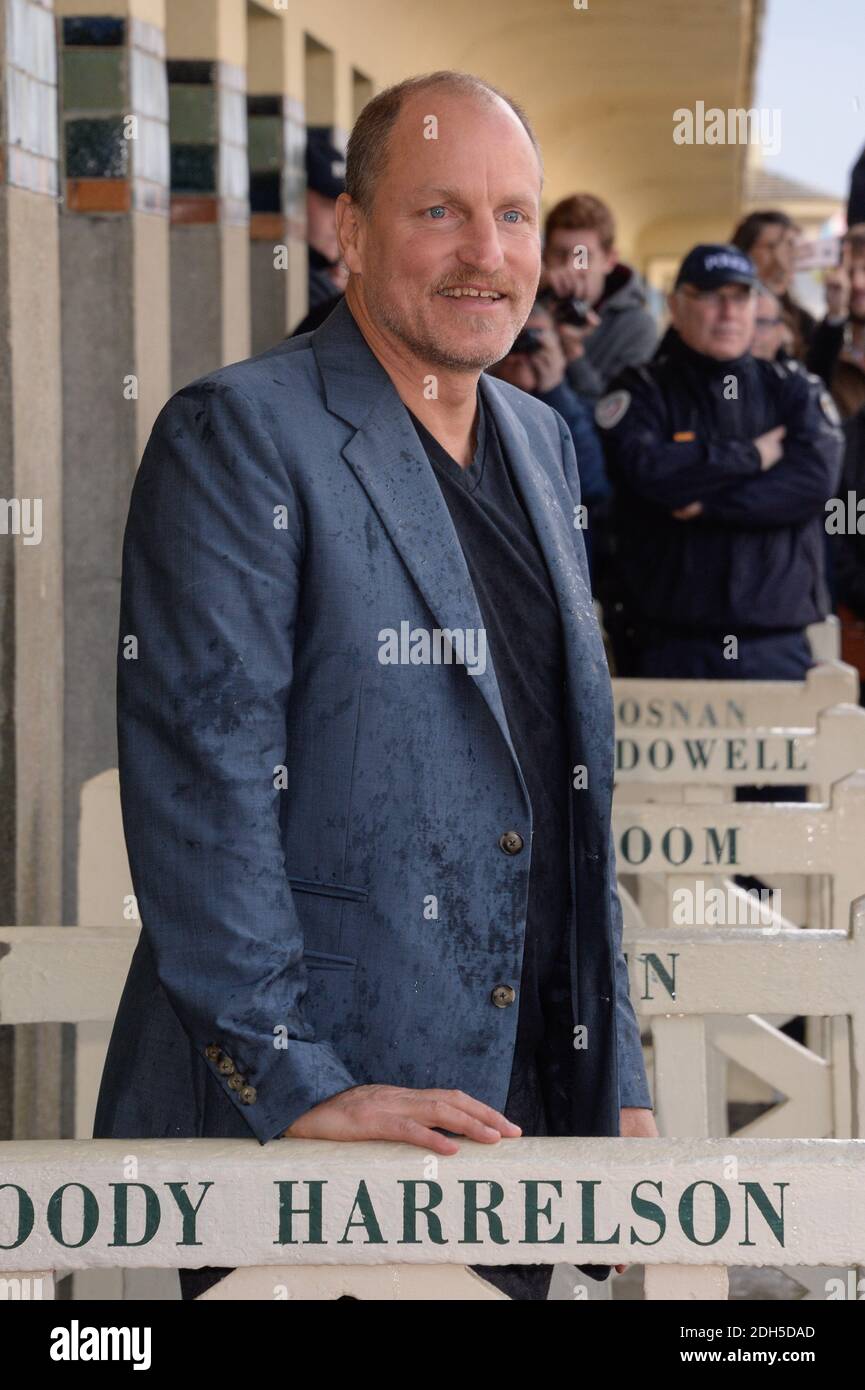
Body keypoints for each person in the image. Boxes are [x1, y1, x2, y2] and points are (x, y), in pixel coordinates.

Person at [94, 69, 655, 1304]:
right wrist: (301, 1084)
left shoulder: (541, 440)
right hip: (312, 1153)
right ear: (349, 231)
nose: (486, 253)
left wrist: (616, 1072)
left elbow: (567, 793)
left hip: (514, 1125)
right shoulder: (237, 435)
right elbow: (205, 796)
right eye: (438, 211)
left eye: (514, 215)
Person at [596, 243, 844, 681]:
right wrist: (753, 455)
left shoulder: (793, 390)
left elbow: (812, 483)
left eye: (740, 297)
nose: (728, 312)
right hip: (664, 644)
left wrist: (707, 502)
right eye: (710, 296)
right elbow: (647, 471)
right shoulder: (642, 389)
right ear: (675, 305)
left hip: (774, 646)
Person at [487, 298, 611, 583]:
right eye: (516, 340)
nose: (525, 352)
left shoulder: (578, 406)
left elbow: (591, 483)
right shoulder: (475, 405)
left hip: (567, 576)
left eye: (535, 341)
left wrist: (554, 387)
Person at [540, 193, 658, 402]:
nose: (571, 268)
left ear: (609, 260)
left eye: (582, 256)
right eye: (559, 254)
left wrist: (574, 354)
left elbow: (615, 415)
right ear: (544, 255)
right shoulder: (528, 304)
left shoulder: (637, 327)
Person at [731, 209, 816, 360]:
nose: (782, 257)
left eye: (789, 247)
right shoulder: (727, 312)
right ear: (744, 253)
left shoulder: (804, 321)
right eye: (772, 247)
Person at [806, 224, 865, 421]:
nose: (857, 283)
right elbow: (812, 394)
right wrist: (835, 313)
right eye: (849, 272)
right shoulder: (823, 343)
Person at [751, 283, 795, 362]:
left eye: (762, 323)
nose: (752, 333)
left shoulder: (793, 372)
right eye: (745, 323)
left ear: (780, 330)